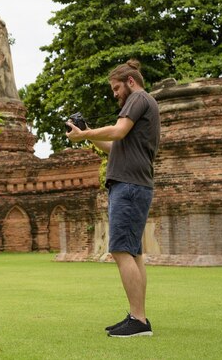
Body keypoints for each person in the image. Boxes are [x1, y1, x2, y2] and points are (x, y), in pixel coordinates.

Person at [66, 59, 160, 338]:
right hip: (135, 184)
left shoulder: (139, 98)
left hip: (129, 186)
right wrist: (87, 133)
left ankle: (139, 320)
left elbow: (117, 131)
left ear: (130, 82)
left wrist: (85, 133)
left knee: (121, 250)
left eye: (117, 88)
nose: (115, 94)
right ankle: (137, 316)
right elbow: (113, 146)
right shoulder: (145, 104)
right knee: (133, 253)